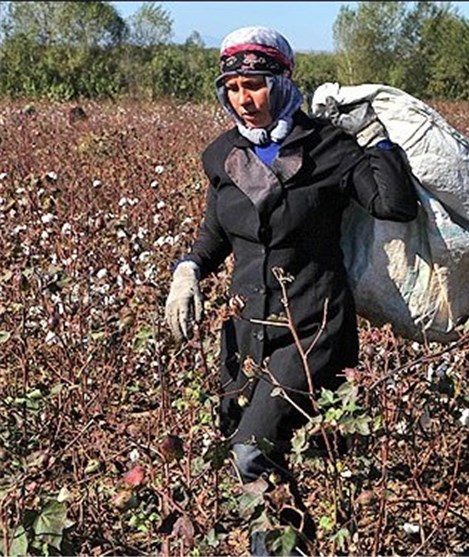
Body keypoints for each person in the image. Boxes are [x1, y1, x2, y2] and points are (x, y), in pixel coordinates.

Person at [163, 25, 418, 553]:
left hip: (310, 326)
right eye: (232, 89)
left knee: (252, 450)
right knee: (253, 451)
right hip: (245, 334)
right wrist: (188, 268)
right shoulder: (223, 155)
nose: (243, 99)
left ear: (282, 81)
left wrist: (376, 139)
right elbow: (217, 232)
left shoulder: (328, 147)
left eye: (254, 84)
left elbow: (394, 204)